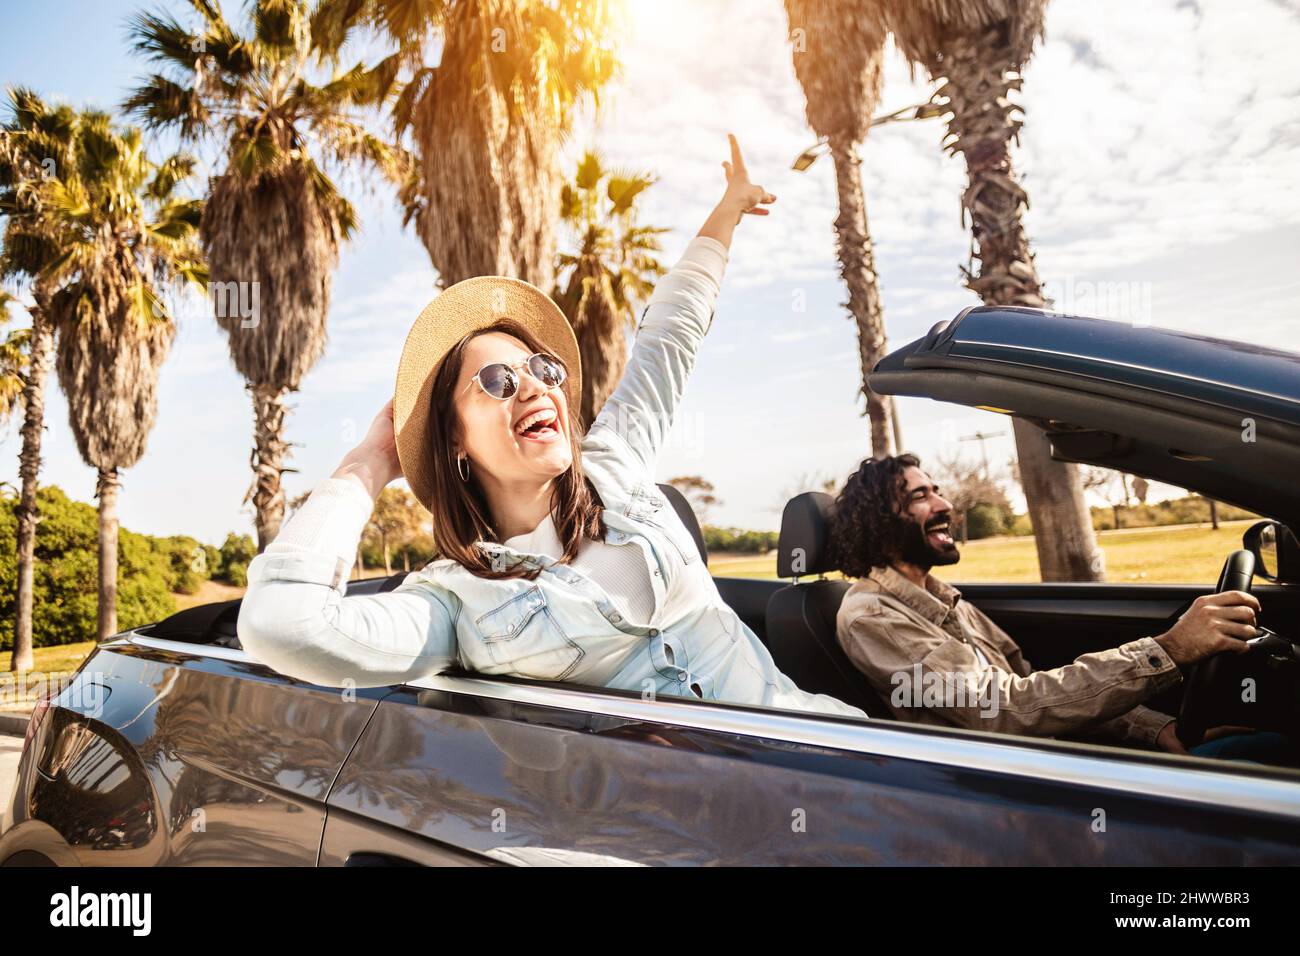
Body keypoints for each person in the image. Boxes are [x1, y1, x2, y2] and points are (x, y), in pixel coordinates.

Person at [237, 135, 866, 720]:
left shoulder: (615, 461)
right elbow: (283, 626)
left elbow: (669, 336)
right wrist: (367, 464)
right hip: (692, 832)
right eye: (496, 382)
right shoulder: (454, 602)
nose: (535, 385)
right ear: (453, 438)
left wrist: (727, 211)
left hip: (834, 749)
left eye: (540, 368)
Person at [829, 454, 1297, 763]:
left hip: (1050, 755)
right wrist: (1169, 649)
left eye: (937, 489)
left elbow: (1033, 687)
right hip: (1014, 787)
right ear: (880, 523)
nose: (946, 503)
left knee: (1269, 749)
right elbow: (1004, 710)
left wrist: (1155, 731)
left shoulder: (940, 595)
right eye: (920, 496)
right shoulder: (873, 616)